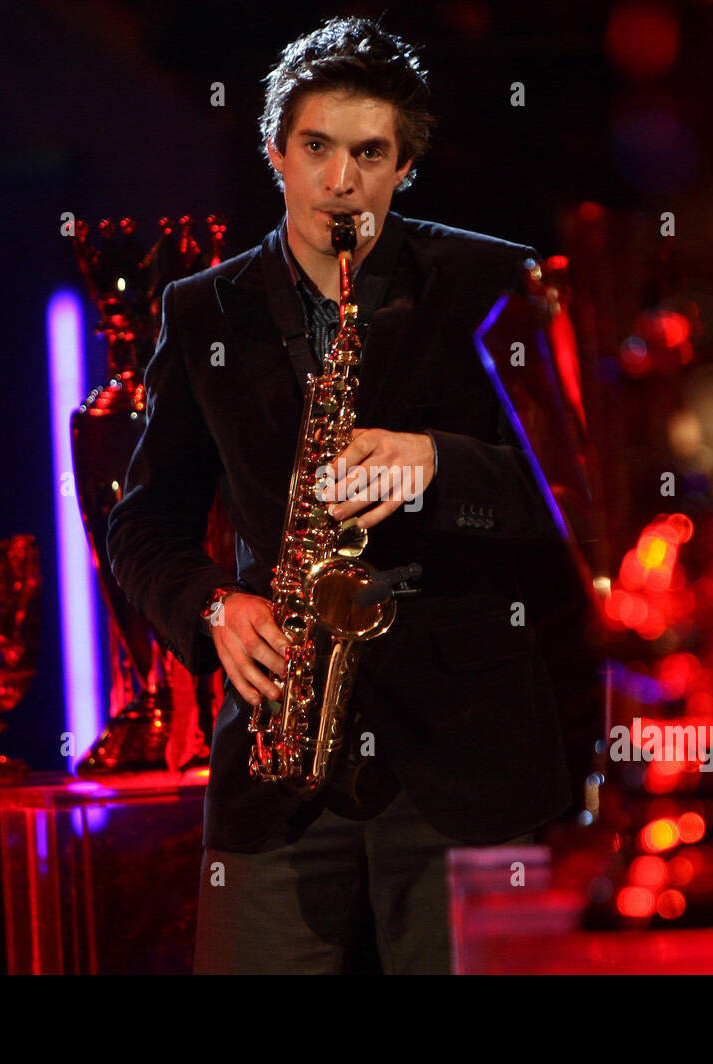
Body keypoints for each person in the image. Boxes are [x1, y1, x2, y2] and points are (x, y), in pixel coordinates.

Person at [107, 16, 574, 974]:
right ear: (275, 150)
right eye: (316, 148)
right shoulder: (202, 311)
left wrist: (438, 461)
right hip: (278, 756)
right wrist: (213, 609)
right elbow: (144, 524)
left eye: (370, 154)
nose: (339, 181)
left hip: (466, 754)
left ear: (406, 167)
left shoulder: (492, 281)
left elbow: (578, 496)